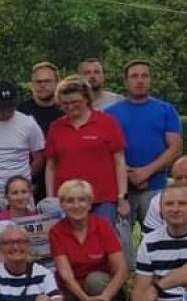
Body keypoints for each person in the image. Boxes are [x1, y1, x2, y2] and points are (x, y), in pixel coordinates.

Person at [106, 59, 183, 263]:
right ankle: (126, 277)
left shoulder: (166, 110)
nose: (139, 80)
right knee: (120, 241)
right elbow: (106, 151)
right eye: (134, 76)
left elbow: (175, 148)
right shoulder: (111, 114)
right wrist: (129, 174)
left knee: (158, 238)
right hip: (122, 190)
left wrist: (146, 172)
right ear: (126, 81)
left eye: (144, 76)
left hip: (155, 187)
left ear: (151, 79)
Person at [49, 179, 126, 301]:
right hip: (71, 291)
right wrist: (86, 300)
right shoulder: (56, 231)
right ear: (62, 205)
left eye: (82, 200)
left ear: (90, 203)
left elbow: (121, 270)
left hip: (101, 288)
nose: (76, 205)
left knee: (95, 280)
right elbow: (66, 276)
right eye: (69, 201)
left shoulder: (103, 226)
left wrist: (104, 298)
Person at [44, 76, 128, 224]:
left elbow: (119, 161)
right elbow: (51, 165)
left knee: (103, 236)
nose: (70, 107)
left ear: (87, 99)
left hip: (102, 199)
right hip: (68, 200)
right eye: (65, 103)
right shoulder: (56, 127)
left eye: (75, 102)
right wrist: (51, 198)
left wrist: (122, 196)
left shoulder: (107, 122)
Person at [18, 61, 61, 199]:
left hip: (61, 177)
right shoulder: (20, 111)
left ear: (57, 83)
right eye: (38, 82)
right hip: (30, 179)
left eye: (47, 81)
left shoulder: (66, 110)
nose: (42, 85)